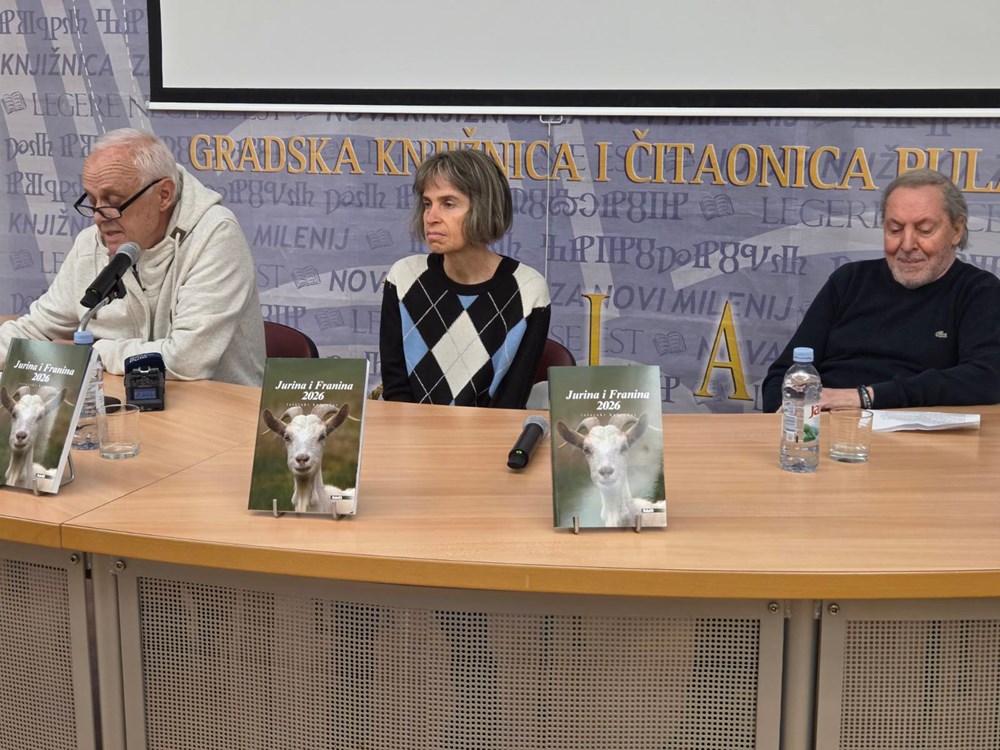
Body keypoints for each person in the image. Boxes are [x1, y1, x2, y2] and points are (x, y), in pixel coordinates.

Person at [0, 128, 265, 387]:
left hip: (216, 406)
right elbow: (35, 330)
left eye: (113, 202)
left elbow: (187, 359)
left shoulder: (215, 234)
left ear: (164, 195)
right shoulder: (90, 243)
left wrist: (90, 354)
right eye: (92, 201)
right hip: (124, 402)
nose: (98, 217)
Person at [762, 168, 1000, 413]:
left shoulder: (978, 291)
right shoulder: (849, 280)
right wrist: (789, 418)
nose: (907, 244)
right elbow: (783, 375)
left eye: (924, 230)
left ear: (956, 230)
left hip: (908, 429)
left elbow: (987, 378)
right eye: (895, 230)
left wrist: (864, 397)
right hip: (821, 424)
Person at [379, 149, 551, 408]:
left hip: (490, 432)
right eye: (427, 203)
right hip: (409, 429)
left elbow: (510, 402)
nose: (431, 217)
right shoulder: (403, 277)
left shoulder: (527, 289)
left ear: (484, 208)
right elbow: (396, 391)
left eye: (448, 204)